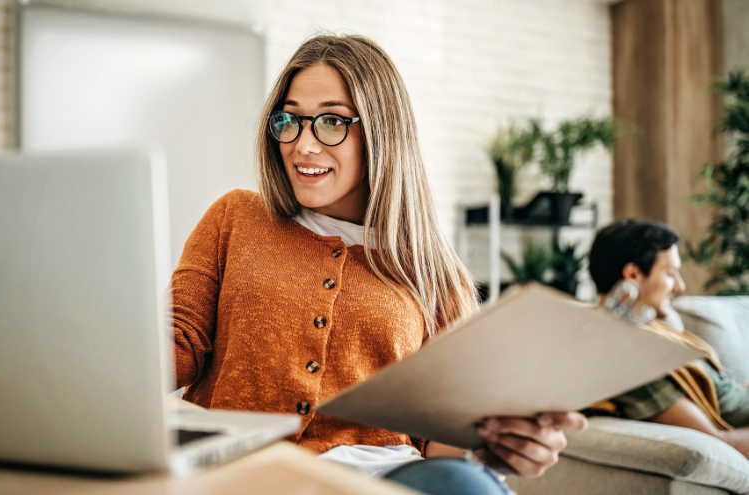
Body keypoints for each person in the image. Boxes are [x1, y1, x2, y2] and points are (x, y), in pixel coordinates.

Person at [172, 34, 586, 495]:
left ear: (380, 131)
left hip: (386, 480)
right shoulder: (235, 217)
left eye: (330, 121)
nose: (303, 144)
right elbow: (178, 343)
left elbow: (438, 436)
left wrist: (495, 445)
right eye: (288, 119)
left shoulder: (433, 274)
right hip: (247, 474)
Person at [587, 219, 749, 459]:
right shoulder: (630, 357)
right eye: (670, 273)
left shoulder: (648, 332)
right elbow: (720, 446)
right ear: (632, 274)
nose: (680, 286)